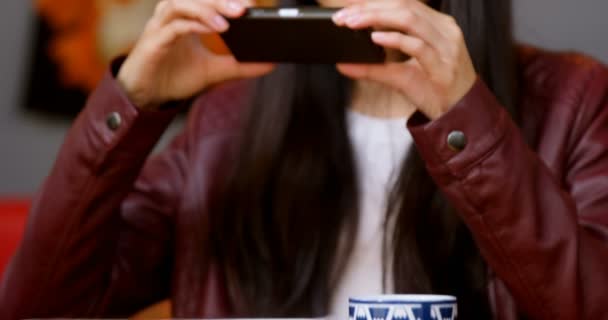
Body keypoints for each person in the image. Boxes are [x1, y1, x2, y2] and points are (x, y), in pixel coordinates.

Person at [1, 0, 607, 318]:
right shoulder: (226, 122)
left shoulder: (571, 100)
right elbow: (42, 306)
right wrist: (128, 105)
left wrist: (467, 121)